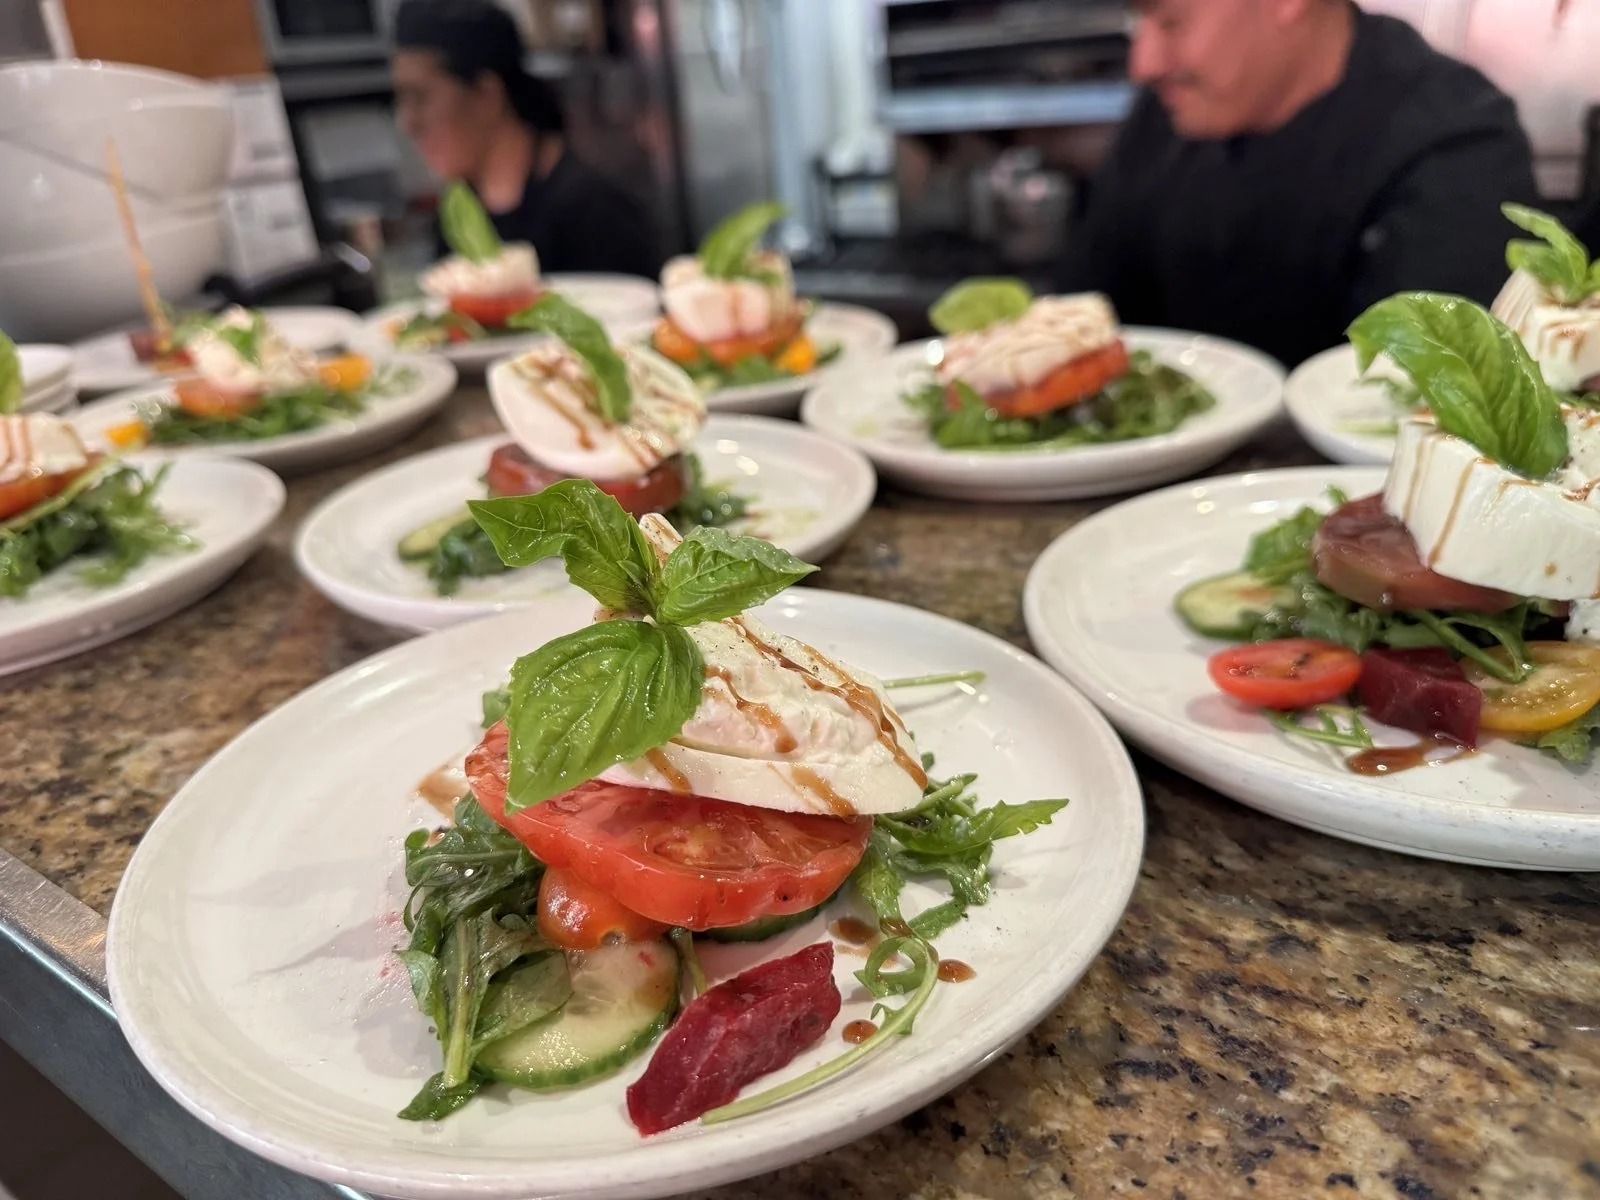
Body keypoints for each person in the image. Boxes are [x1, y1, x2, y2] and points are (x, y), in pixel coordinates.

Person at [1057, 0, 1539, 367]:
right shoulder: (1168, 114)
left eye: (1170, 22)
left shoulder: (1456, 141)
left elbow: (1426, 389)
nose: (1143, 64)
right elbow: (1082, 321)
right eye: (1134, 22)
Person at [392, 0, 661, 277]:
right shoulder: (459, 214)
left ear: (486, 95)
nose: (407, 123)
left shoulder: (594, 211)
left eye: (419, 98)